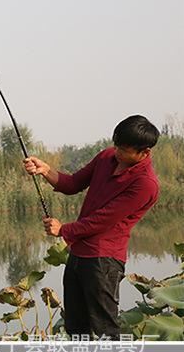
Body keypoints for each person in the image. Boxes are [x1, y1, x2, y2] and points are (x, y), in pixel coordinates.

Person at [23, 115, 160, 340]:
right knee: (75, 326)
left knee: (105, 328)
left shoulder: (145, 184)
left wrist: (63, 230)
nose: (117, 152)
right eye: (116, 145)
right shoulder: (107, 156)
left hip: (103, 261)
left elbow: (103, 220)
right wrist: (45, 170)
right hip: (78, 255)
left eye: (124, 149)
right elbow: (73, 183)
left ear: (144, 152)